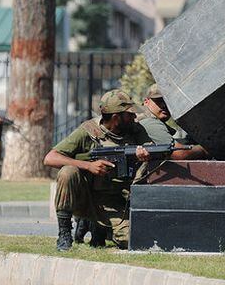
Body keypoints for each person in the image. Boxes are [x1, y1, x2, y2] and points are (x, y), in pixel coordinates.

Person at [43, 89, 152, 251]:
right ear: (116, 117)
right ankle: (65, 233)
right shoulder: (88, 131)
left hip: (114, 202)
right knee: (68, 172)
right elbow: (50, 158)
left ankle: (100, 228)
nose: (134, 117)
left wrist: (144, 155)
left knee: (132, 241)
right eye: (129, 115)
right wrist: (89, 166)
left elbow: (151, 149)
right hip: (85, 198)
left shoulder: (135, 131)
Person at [139, 84, 209, 159]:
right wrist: (204, 149)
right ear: (146, 102)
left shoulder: (147, 119)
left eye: (167, 102)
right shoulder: (150, 122)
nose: (164, 105)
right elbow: (179, 154)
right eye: (159, 101)